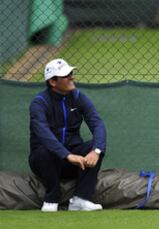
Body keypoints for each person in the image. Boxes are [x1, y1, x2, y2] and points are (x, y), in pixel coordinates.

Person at [29, 59, 107, 212]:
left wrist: (96, 150)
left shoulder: (79, 97)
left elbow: (97, 123)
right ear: (52, 81)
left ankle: (81, 199)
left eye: (71, 73)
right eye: (66, 75)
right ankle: (52, 198)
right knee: (45, 150)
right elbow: (43, 134)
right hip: (45, 162)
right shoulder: (39, 103)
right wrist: (66, 155)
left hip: (74, 162)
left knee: (95, 145)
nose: (72, 77)